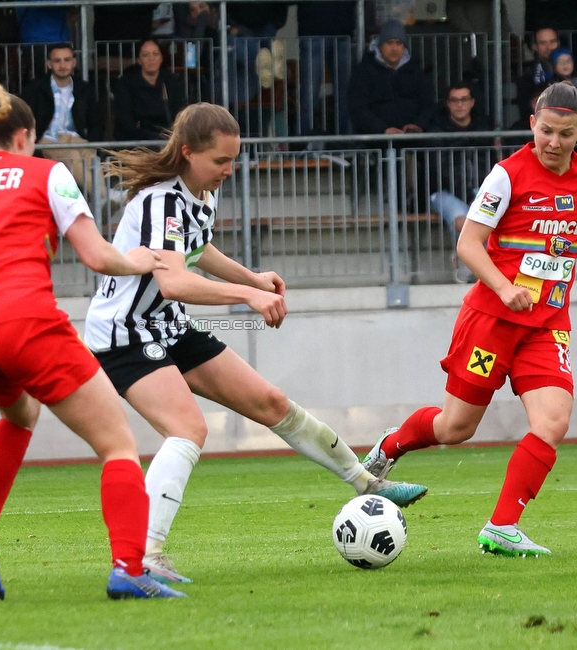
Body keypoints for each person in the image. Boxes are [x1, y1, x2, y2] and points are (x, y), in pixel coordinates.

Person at [83, 102, 428, 585]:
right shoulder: (159, 202)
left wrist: (253, 277)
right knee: (187, 429)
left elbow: (198, 251)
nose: (229, 170)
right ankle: (144, 553)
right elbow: (174, 282)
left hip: (168, 327)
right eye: (220, 161)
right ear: (187, 153)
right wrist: (247, 295)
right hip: (125, 335)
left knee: (271, 402)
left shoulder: (199, 194)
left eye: (233, 159)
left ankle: (368, 483)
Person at [0, 68, 184, 602]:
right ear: (24, 137)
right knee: (117, 444)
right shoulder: (44, 173)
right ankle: (128, 568)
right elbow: (96, 256)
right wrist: (138, 261)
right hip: (27, 325)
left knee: (19, 414)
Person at [363, 82, 577, 558]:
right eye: (545, 131)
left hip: (548, 325)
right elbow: (468, 243)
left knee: (553, 421)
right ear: (532, 124)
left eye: (565, 134)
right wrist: (505, 288)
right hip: (492, 319)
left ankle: (502, 527)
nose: (553, 142)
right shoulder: (506, 176)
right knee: (455, 428)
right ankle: (390, 446)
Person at [426, 81, 493, 284]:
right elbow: (441, 171)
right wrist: (471, 197)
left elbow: (492, 166)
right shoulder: (437, 131)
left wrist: (479, 195)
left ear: (472, 102)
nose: (460, 105)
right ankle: (470, 264)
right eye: (454, 100)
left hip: (480, 189)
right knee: (463, 222)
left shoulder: (484, 128)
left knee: (490, 223)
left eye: (464, 100)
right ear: (448, 104)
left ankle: (471, 264)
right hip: (445, 191)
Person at [21, 43, 104, 195]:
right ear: (49, 64)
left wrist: (92, 140)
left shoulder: (84, 88)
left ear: (74, 62)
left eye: (67, 60)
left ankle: (103, 200)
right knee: (72, 155)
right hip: (47, 139)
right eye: (57, 61)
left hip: (74, 138)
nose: (62, 65)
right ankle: (103, 197)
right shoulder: (35, 89)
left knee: (92, 157)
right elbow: (24, 119)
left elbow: (96, 121)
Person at [347, 20, 436, 136]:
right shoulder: (363, 72)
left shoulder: (416, 71)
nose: (394, 48)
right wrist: (383, 130)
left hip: (413, 138)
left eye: (399, 43)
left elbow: (429, 105)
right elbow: (358, 109)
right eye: (390, 43)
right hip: (375, 140)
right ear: (380, 45)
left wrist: (418, 125)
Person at [295, 1, 355, 137]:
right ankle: (303, 142)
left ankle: (345, 142)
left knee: (345, 94)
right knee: (310, 94)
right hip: (317, 30)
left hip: (340, 30)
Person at [112, 39, 186, 142]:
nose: (151, 58)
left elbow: (181, 114)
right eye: (146, 55)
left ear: (161, 58)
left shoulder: (172, 81)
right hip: (135, 141)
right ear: (139, 60)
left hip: (168, 140)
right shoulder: (126, 83)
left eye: (155, 54)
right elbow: (125, 121)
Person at [516, 27, 560, 121]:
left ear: (558, 43)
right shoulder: (528, 75)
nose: (549, 47)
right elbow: (525, 110)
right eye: (543, 43)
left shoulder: (573, 71)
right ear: (534, 47)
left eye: (552, 41)